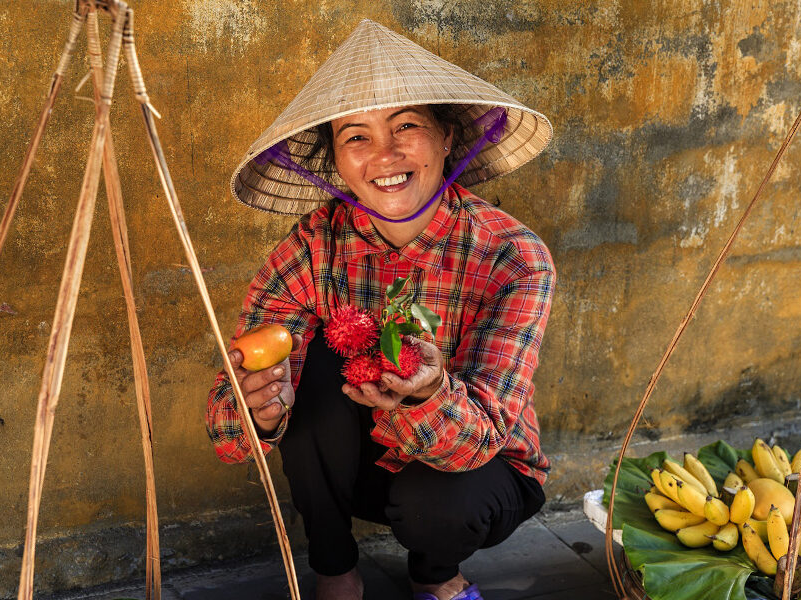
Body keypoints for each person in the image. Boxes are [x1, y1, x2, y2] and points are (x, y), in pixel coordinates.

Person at [205, 19, 555, 600]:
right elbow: (228, 421)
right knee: (299, 361)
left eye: (407, 126)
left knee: (438, 504)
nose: (384, 155)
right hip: (357, 469)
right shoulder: (312, 249)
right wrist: (257, 411)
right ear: (338, 163)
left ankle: (437, 575)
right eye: (356, 137)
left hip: (475, 471)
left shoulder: (513, 256)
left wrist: (426, 390)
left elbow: (484, 436)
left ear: (447, 138)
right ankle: (337, 573)